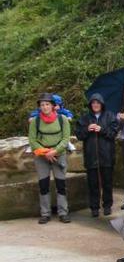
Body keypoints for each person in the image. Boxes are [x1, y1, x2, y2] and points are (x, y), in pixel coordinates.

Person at [28, 93, 71, 224]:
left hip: (59, 154)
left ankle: (63, 213)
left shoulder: (62, 119)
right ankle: (45, 213)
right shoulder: (35, 121)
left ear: (53, 106)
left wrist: (54, 151)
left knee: (61, 185)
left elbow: (65, 139)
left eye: (47, 104)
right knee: (44, 185)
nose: (45, 107)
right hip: (42, 156)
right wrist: (46, 152)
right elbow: (32, 140)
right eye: (42, 105)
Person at [75, 93, 119, 217]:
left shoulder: (110, 116)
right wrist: (87, 129)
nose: (95, 105)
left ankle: (107, 205)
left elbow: (113, 133)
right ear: (90, 105)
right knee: (93, 183)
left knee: (107, 182)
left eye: (98, 103)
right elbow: (79, 135)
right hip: (91, 155)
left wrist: (102, 129)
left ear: (102, 104)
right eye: (93, 103)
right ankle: (94, 207)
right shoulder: (85, 118)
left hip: (107, 155)